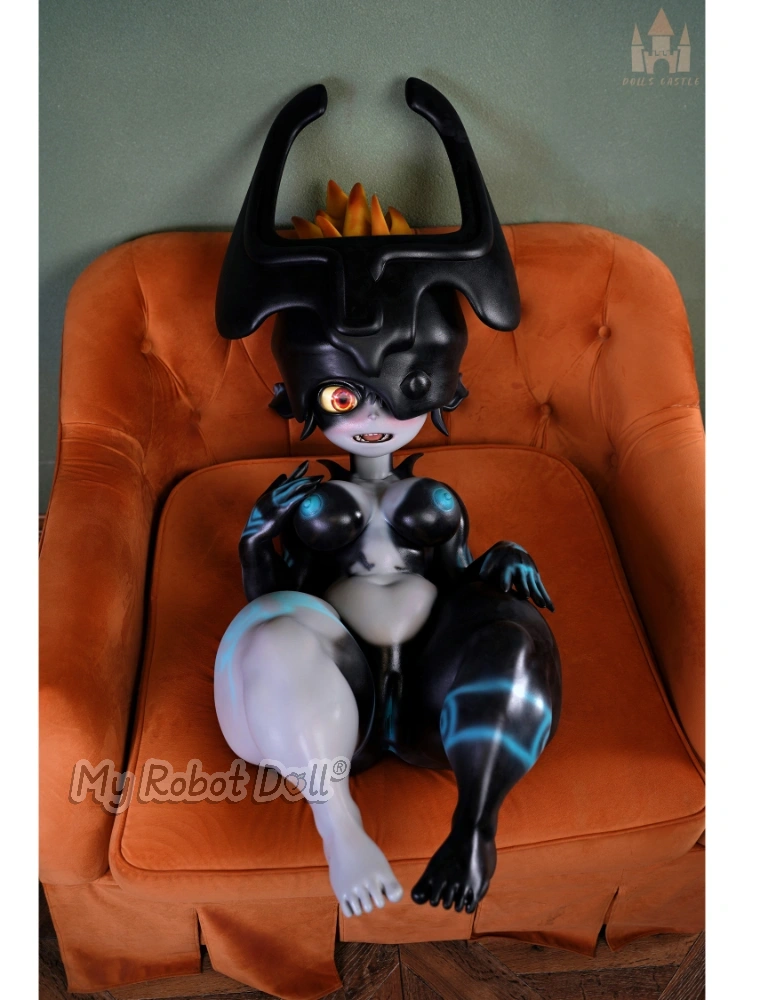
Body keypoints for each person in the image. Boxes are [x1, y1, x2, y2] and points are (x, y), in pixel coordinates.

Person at [213, 79, 561, 918]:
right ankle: (338, 824)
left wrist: (499, 563)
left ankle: (474, 824)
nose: (373, 416)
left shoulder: (430, 496)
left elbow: (459, 574)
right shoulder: (310, 497)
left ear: (441, 389)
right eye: (343, 396)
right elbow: (270, 595)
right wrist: (260, 534)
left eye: (404, 389)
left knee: (517, 636)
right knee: (272, 636)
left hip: (433, 697)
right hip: (341, 704)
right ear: (302, 397)